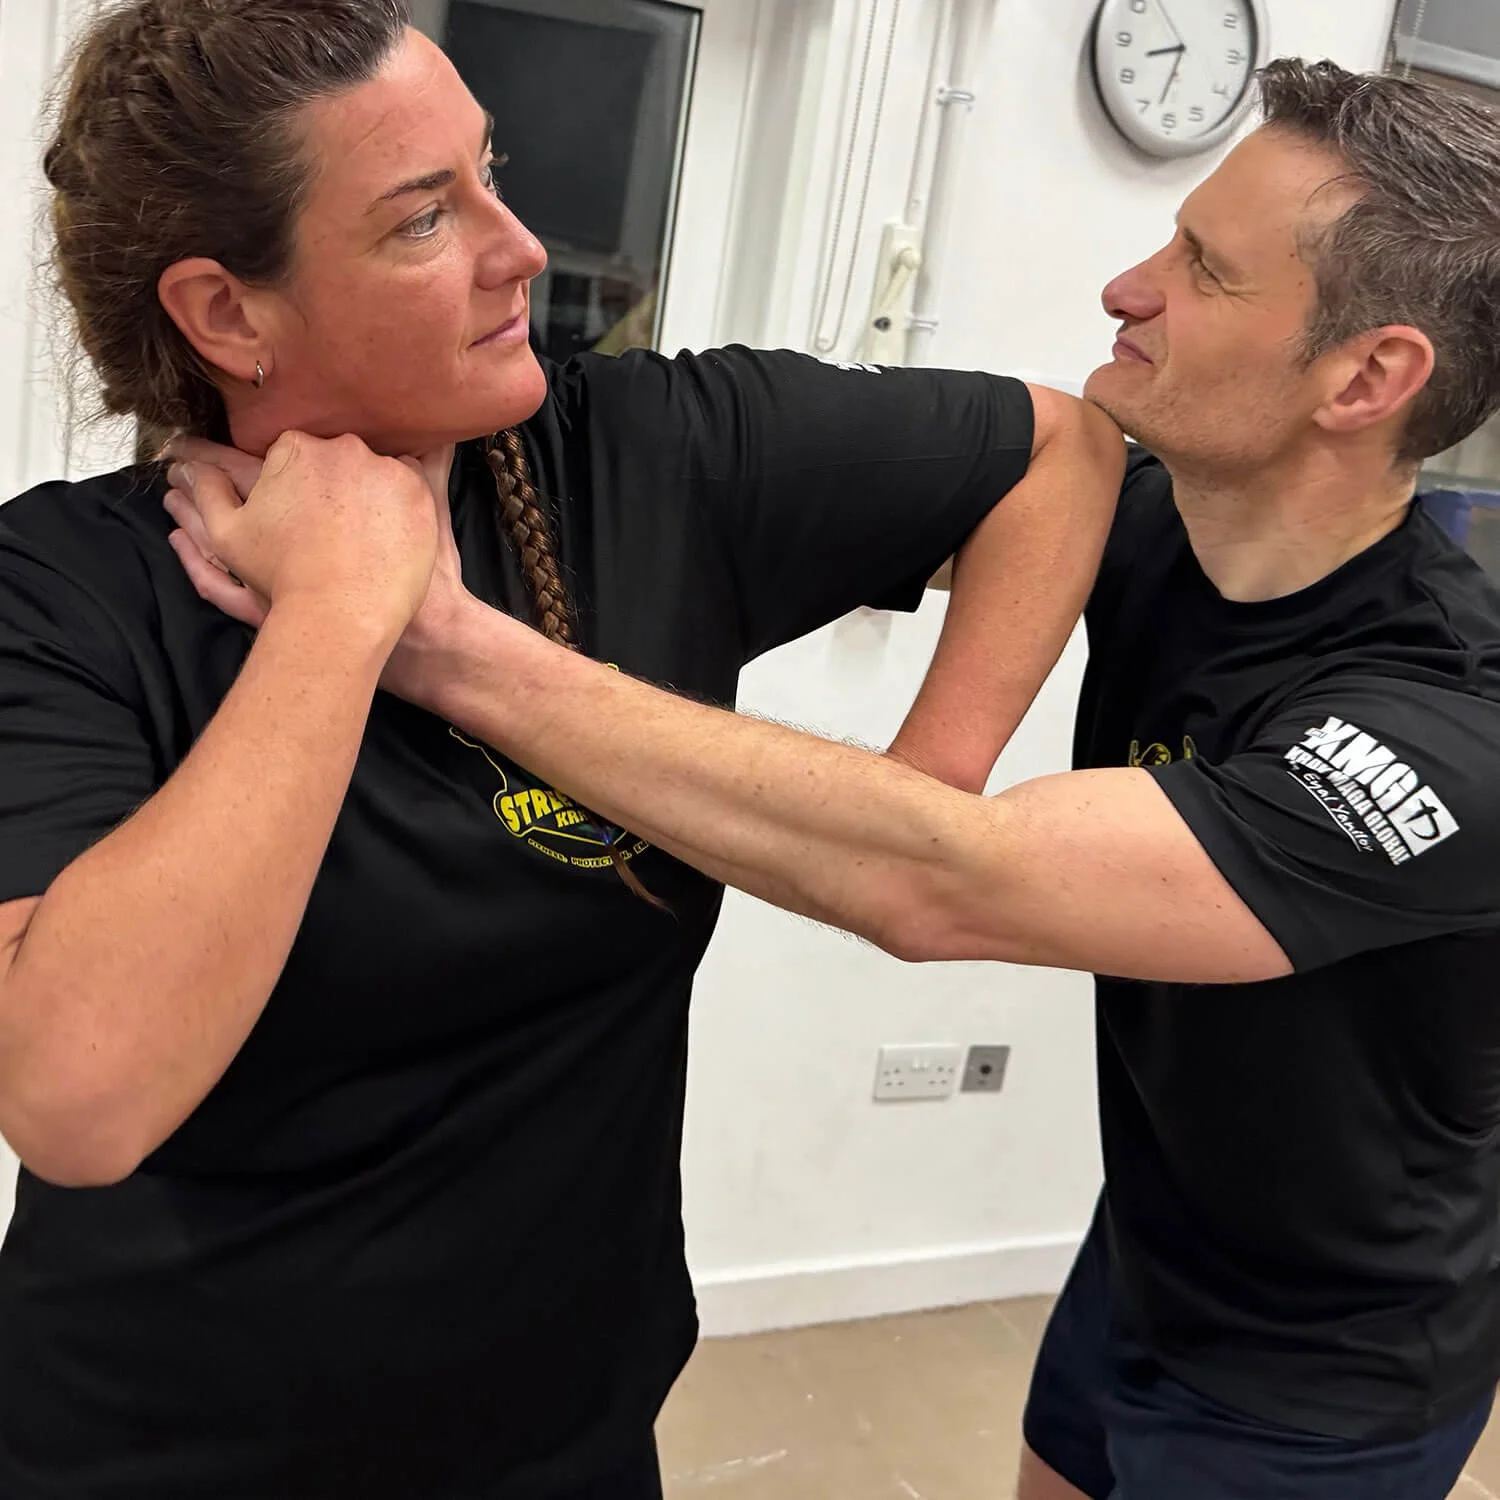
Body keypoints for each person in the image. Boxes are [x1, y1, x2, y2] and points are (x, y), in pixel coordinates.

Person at [169, 57, 1500, 1500]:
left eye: (1203, 271)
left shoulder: (1448, 726)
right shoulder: (1163, 535)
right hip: (1146, 1251)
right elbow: (1043, 470)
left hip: (1336, 1355)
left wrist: (440, 638)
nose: (1128, 286)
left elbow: (949, 879)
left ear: (1369, 378)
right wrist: (934, 763)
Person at [0, 2, 1126, 1497]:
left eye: (491, 172)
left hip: (568, 1441)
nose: (520, 243)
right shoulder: (62, 594)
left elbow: (1065, 454)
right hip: (160, 1451)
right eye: (423, 218)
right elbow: (80, 1101)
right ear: (227, 315)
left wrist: (922, 799)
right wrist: (337, 609)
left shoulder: (651, 454)